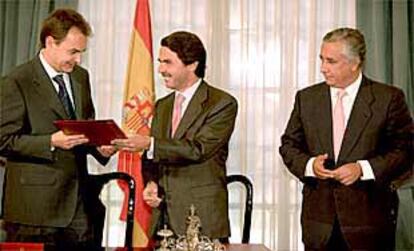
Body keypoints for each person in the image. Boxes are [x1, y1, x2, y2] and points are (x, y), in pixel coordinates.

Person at [279, 27, 413, 251]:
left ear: (355, 63)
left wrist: (363, 169)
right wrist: (311, 165)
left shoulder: (388, 98)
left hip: (368, 226)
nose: (323, 68)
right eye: (321, 59)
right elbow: (289, 146)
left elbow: (405, 151)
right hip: (318, 227)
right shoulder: (307, 98)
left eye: (331, 61)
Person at [0, 9, 116, 250]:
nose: (78, 60)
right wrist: (51, 141)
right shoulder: (16, 81)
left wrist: (100, 148)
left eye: (81, 53)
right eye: (73, 52)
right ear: (50, 42)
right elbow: (3, 140)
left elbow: (84, 125)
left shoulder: (81, 78)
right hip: (34, 210)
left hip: (78, 205)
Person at [112, 31, 238, 241]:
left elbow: (197, 149)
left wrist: (150, 143)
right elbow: (153, 155)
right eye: (160, 62)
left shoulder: (221, 103)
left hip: (200, 219)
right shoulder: (162, 105)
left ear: (192, 65)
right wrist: (151, 182)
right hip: (163, 220)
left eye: (168, 62)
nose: (160, 69)